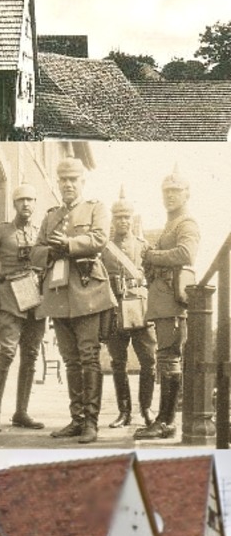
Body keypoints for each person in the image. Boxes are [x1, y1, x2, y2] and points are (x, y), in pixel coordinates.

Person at [30, 156, 116, 444]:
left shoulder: (96, 208)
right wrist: (51, 253)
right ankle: (77, 419)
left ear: (82, 182)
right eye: (63, 179)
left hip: (87, 289)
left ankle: (91, 422)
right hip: (58, 293)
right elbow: (35, 253)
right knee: (70, 360)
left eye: (73, 180)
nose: (67, 184)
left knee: (89, 356)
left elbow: (100, 238)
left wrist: (67, 244)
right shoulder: (50, 216)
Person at [0, 183, 46, 432]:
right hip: (9, 299)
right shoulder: (2, 231)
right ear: (14, 204)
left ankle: (21, 413)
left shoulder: (40, 233)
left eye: (30, 200)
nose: (26, 204)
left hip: (35, 301)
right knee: (7, 352)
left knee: (31, 355)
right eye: (21, 200)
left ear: (35, 204)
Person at [134, 166, 200, 440]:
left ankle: (165, 422)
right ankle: (164, 420)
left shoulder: (186, 223)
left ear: (187, 194)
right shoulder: (169, 225)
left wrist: (153, 256)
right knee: (165, 359)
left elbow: (187, 253)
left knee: (169, 359)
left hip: (174, 301)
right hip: (163, 301)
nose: (170, 196)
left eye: (176, 191)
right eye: (166, 191)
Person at [103, 189, 156, 429]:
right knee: (118, 362)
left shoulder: (144, 247)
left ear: (132, 219)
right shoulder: (104, 249)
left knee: (148, 359)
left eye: (127, 217)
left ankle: (146, 408)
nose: (123, 221)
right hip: (115, 309)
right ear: (113, 220)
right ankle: (124, 412)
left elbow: (154, 277)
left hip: (139, 307)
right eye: (118, 217)